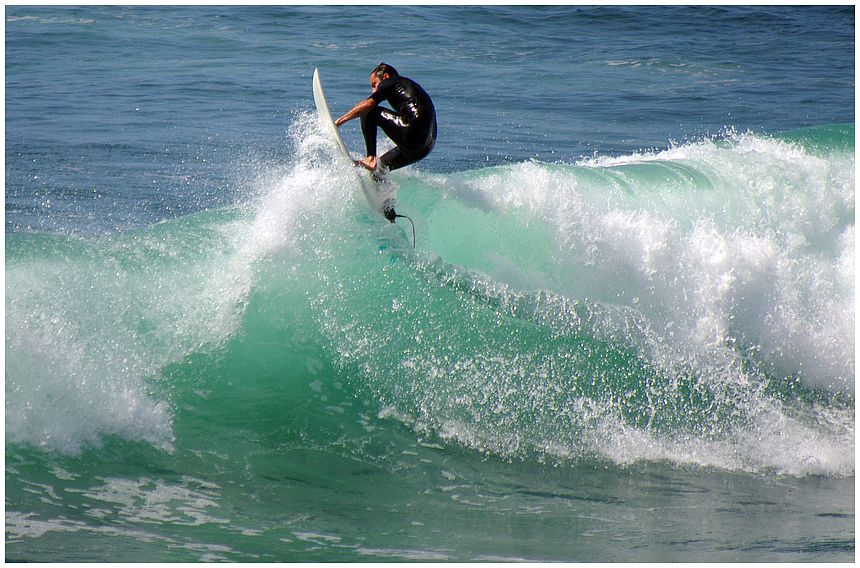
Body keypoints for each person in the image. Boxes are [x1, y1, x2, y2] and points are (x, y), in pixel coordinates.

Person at [335, 63, 437, 176]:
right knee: (380, 168)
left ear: (385, 77)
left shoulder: (390, 82)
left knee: (369, 111)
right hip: (425, 147)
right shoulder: (410, 88)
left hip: (412, 132)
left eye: (374, 84)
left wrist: (339, 121)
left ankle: (370, 158)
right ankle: (382, 192)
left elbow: (369, 104)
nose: (374, 90)